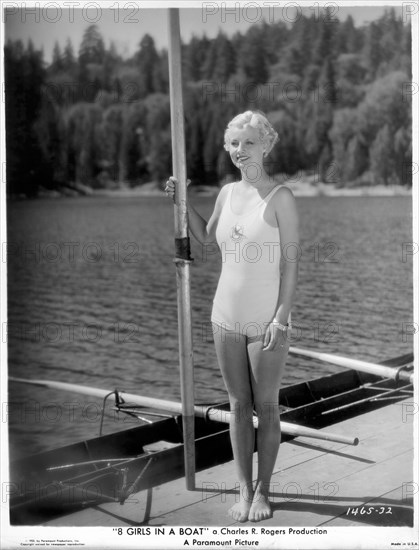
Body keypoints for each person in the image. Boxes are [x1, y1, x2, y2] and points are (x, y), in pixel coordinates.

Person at [165, 110, 299, 523]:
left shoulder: (281, 198)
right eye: (235, 144)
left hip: (266, 321)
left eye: (250, 142)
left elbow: (290, 266)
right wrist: (181, 202)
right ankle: (243, 489)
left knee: (267, 407)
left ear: (267, 145)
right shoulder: (225, 193)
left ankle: (263, 491)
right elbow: (206, 240)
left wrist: (280, 317)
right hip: (224, 316)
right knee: (239, 406)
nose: (242, 151)